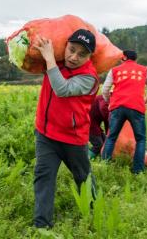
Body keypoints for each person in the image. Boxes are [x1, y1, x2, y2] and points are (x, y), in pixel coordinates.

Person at [33, 29, 99, 228]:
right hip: (46, 134)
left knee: (83, 177)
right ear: (66, 45)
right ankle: (41, 226)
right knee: (43, 177)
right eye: (71, 49)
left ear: (89, 57)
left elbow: (62, 89)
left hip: (72, 138)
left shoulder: (89, 77)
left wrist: (50, 59)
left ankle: (94, 214)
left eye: (82, 54)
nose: (74, 57)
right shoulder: (56, 61)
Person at [101, 50, 147, 174]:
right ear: (135, 59)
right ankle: (138, 170)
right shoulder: (144, 70)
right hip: (136, 107)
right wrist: (145, 100)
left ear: (124, 58)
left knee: (111, 137)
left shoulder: (114, 70)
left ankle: (104, 166)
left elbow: (105, 89)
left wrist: (110, 101)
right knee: (140, 139)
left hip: (117, 107)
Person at [88, 95, 109, 159]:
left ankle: (102, 158)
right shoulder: (103, 97)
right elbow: (104, 109)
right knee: (98, 145)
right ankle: (87, 158)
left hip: (95, 124)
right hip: (89, 123)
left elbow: (107, 121)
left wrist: (108, 134)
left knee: (105, 141)